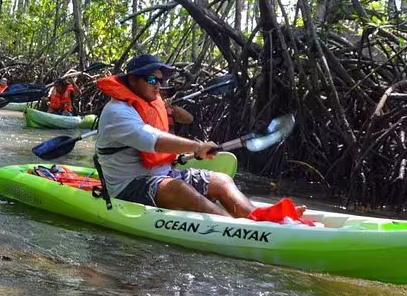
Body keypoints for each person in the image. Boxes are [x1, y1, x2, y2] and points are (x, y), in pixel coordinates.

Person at [95, 54, 287, 218]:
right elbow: (153, 141)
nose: (158, 86)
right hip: (128, 185)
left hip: (164, 175)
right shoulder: (117, 112)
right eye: (152, 80)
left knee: (222, 181)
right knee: (178, 188)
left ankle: (260, 220)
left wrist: (182, 154)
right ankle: (241, 230)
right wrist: (196, 147)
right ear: (133, 79)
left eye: (161, 81)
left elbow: (187, 120)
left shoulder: (154, 103)